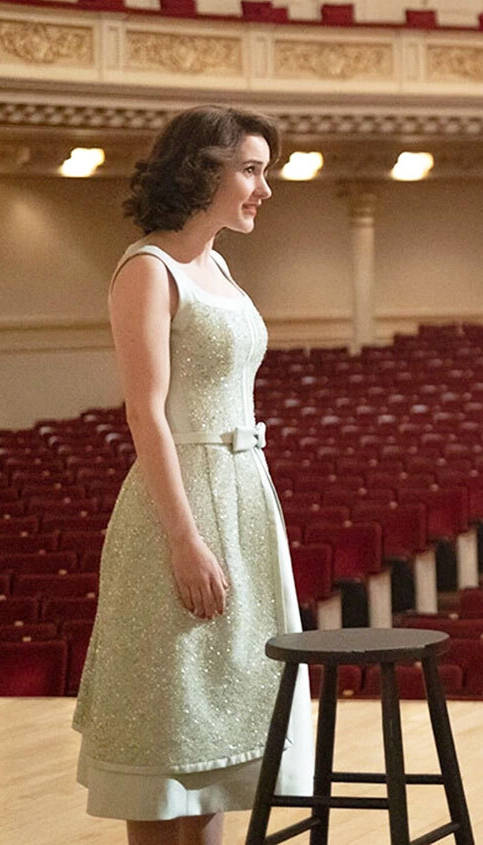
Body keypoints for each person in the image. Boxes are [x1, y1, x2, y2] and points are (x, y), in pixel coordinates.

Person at [73, 105, 313, 845]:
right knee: (168, 728)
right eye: (250, 169)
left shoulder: (218, 264)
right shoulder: (147, 268)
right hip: (179, 509)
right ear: (201, 170)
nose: (263, 188)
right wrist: (184, 540)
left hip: (242, 498)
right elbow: (146, 413)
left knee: (211, 742)